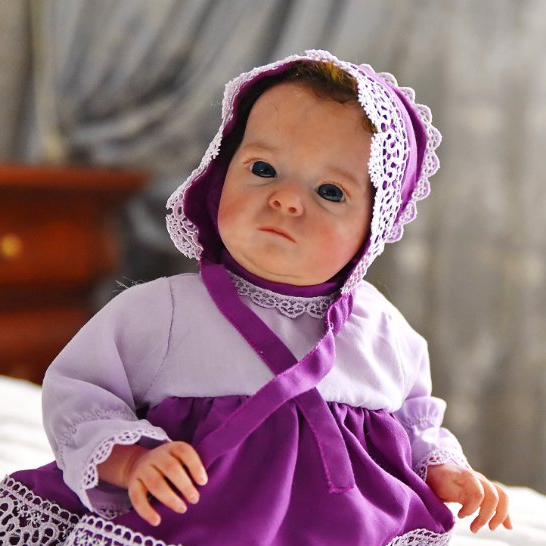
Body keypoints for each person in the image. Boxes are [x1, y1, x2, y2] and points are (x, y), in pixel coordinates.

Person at [0, 49, 511, 546]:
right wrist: (131, 459)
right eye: (263, 169)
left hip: (354, 529)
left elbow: (415, 419)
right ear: (220, 174)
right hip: (189, 521)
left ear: (374, 227)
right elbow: (81, 396)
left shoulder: (381, 328)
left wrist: (443, 467)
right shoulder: (165, 312)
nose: (285, 199)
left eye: (330, 191)